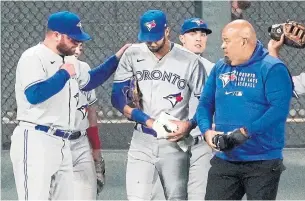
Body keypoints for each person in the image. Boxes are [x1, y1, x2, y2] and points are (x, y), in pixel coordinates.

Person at [10, 11, 127, 200]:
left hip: (64, 143)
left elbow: (91, 81)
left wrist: (116, 59)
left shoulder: (70, 60)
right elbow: (34, 95)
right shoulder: (33, 57)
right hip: (35, 139)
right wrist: (64, 74)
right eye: (73, 39)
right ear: (56, 35)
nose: (77, 43)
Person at [111, 10, 206, 200]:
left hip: (174, 140)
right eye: (147, 39)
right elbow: (117, 97)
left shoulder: (190, 60)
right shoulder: (133, 54)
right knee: (137, 197)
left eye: (156, 37)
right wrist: (145, 119)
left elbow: (206, 103)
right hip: (142, 140)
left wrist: (190, 124)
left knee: (176, 197)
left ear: (167, 31)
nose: (152, 42)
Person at [196, 19, 292, 200]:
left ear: (243, 41)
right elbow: (205, 104)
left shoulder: (272, 68)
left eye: (227, 40)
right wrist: (206, 131)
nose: (223, 46)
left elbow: (278, 110)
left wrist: (245, 132)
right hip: (225, 159)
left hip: (262, 161)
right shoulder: (219, 67)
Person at [50, 43, 130, 200]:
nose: (79, 49)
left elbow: (91, 112)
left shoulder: (84, 67)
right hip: (52, 142)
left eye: (81, 46)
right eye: (74, 44)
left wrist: (96, 150)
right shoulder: (45, 65)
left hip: (79, 141)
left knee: (88, 193)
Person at [151, 17, 214, 200]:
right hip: (170, 141)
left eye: (203, 34)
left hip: (200, 142)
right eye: (192, 33)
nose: (198, 38)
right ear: (181, 38)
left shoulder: (212, 69)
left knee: (198, 196)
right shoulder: (165, 65)